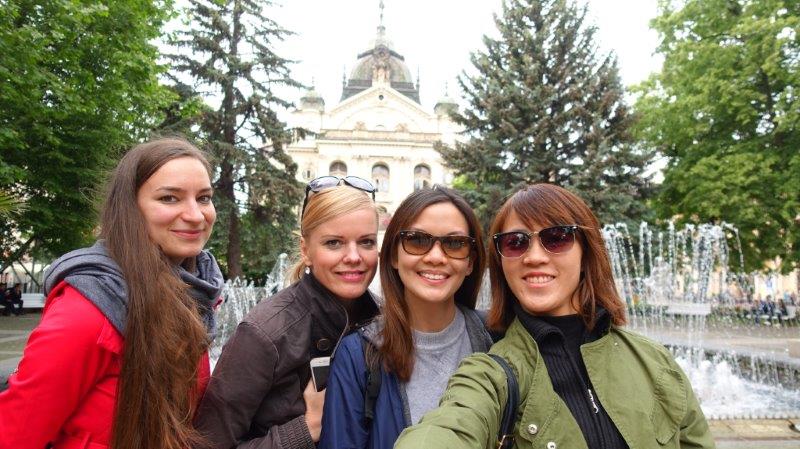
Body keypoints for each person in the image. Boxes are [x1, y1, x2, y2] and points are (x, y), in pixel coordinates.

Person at [395, 184, 715, 449]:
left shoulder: (653, 360)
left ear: (586, 250)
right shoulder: (491, 373)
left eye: (556, 238)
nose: (534, 256)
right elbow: (452, 425)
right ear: (501, 261)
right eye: (515, 242)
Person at [0, 138, 224, 449]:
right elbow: (15, 434)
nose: (196, 215)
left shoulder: (195, 293)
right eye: (170, 198)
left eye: (203, 198)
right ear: (130, 208)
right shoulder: (92, 306)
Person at [194, 177, 381, 449]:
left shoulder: (386, 322)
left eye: (366, 242)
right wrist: (306, 428)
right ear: (306, 250)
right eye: (333, 243)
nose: (353, 256)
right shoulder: (265, 333)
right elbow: (207, 444)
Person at [318, 186, 493, 449]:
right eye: (417, 240)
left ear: (470, 262)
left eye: (455, 244)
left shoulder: (496, 339)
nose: (436, 257)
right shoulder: (358, 356)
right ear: (393, 256)